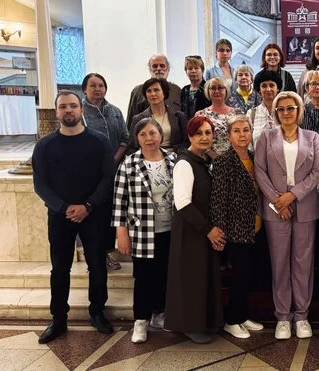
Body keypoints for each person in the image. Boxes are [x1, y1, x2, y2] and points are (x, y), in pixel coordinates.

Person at [32, 90, 114, 344]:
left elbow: (108, 177)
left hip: (94, 214)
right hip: (60, 216)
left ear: (81, 109)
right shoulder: (44, 145)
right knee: (60, 268)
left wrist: (88, 205)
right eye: (63, 107)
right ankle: (58, 318)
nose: (68, 110)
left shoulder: (99, 141)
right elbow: (40, 184)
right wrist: (64, 207)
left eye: (73, 106)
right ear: (57, 112)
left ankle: (97, 311)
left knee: (97, 265)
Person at [254, 91, 319, 340]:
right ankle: (283, 317)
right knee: (280, 262)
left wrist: (292, 195)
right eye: (281, 109)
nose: (286, 112)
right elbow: (260, 171)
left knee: (303, 263)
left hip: (305, 207)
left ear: (299, 111)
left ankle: (302, 315)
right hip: (276, 209)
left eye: (290, 108)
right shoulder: (266, 137)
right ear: (276, 113)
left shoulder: (312, 137)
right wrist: (278, 200)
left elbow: (317, 171)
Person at [112, 118, 177, 344]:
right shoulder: (129, 164)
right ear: (137, 139)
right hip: (142, 232)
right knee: (143, 277)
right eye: (143, 135)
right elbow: (119, 201)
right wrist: (121, 233)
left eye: (153, 133)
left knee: (164, 275)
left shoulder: (173, 160)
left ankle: (159, 314)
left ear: (160, 135)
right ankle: (141, 320)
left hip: (170, 229)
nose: (149, 138)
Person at [164, 116, 224, 344]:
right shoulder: (184, 163)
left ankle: (204, 322)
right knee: (190, 279)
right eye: (198, 133)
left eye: (208, 133)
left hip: (201, 228)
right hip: (190, 231)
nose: (204, 137)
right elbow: (182, 202)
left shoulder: (204, 161)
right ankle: (190, 326)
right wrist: (208, 229)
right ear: (190, 136)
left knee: (201, 277)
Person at [211, 115, 265, 339]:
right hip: (235, 230)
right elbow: (218, 199)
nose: (242, 135)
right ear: (229, 135)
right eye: (237, 131)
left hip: (255, 226)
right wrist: (220, 231)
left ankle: (242, 316)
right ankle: (232, 320)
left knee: (250, 275)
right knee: (240, 276)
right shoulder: (223, 161)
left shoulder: (254, 157)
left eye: (245, 130)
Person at [80, 73, 130, 271]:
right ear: (84, 89)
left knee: (110, 213)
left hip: (114, 171)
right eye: (93, 86)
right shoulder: (80, 112)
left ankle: (107, 253)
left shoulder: (115, 111)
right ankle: (92, 257)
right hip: (90, 173)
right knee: (92, 215)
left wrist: (114, 159)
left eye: (101, 85)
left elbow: (125, 138)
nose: (97, 89)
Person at [127, 78, 189, 154]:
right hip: (147, 158)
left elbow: (186, 143)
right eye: (149, 91)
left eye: (156, 90)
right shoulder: (138, 119)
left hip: (174, 157)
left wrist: (172, 151)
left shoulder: (179, 117)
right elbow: (131, 148)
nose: (153, 94)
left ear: (164, 93)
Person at [127, 55, 182, 129]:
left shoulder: (176, 90)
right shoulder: (138, 91)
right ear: (150, 69)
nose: (158, 69)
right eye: (155, 66)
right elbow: (130, 122)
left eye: (162, 66)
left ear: (168, 68)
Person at [195, 77, 244, 159]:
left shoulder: (238, 113)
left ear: (226, 90)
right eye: (213, 88)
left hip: (237, 159)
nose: (217, 91)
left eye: (220, 88)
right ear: (208, 91)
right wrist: (216, 158)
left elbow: (244, 136)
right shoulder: (201, 115)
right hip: (210, 160)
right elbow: (198, 139)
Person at [249, 70, 282, 149]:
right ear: (259, 90)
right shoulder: (251, 114)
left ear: (277, 88)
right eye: (264, 86)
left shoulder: (285, 112)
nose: (268, 89)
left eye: (272, 85)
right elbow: (249, 144)